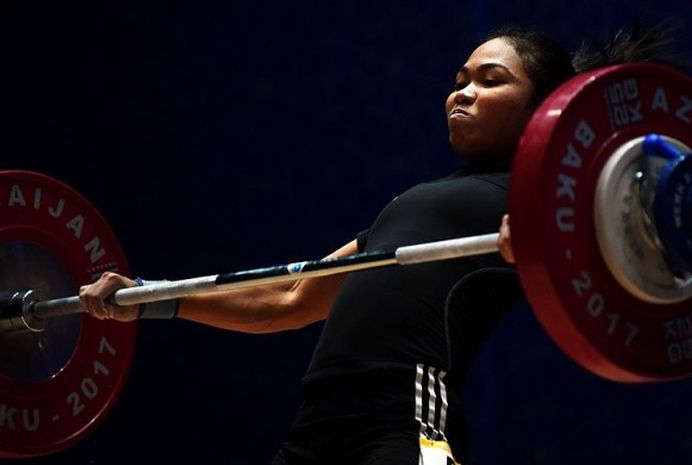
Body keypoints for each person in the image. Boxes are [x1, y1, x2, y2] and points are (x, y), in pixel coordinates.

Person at [78, 22, 680, 464]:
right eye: (459, 80)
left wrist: (549, 238)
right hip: (314, 427)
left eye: (490, 81)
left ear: (544, 107)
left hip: (408, 417)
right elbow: (287, 301)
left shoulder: (552, 197)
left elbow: (634, 236)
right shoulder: (412, 204)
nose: (461, 92)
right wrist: (148, 298)